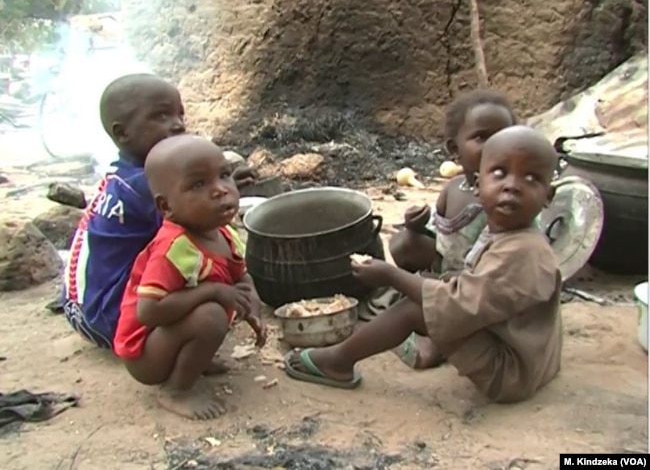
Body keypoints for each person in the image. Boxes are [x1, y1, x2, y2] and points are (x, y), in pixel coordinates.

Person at [284, 125, 562, 404]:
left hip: (511, 372)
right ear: (478, 185)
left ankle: (338, 362)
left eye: (531, 178)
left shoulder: (524, 252)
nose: (512, 185)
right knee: (429, 286)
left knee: (416, 309)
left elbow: (456, 305)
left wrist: (392, 276)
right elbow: (477, 289)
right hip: (526, 356)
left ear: (548, 196)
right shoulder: (509, 234)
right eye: (500, 173)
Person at [62, 73, 255, 354]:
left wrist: (221, 181)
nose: (177, 124)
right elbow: (202, 223)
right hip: (107, 321)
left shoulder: (125, 176)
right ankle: (171, 364)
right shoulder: (146, 188)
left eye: (179, 115)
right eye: (161, 116)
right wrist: (226, 187)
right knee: (210, 257)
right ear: (122, 133)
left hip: (80, 305)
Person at [114, 135, 267, 420]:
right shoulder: (173, 250)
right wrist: (213, 292)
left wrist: (254, 310)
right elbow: (148, 312)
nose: (221, 190)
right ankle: (175, 389)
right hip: (146, 356)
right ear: (166, 207)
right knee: (211, 315)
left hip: (169, 336)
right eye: (198, 184)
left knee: (215, 310)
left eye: (224, 175)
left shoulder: (222, 232)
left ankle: (195, 361)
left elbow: (242, 277)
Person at [373, 90, 517, 369]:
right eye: (482, 137)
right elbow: (441, 234)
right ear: (454, 150)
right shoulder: (453, 189)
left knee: (437, 308)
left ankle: (434, 346)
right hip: (448, 271)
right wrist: (418, 225)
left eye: (504, 136)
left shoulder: (509, 197)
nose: (496, 146)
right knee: (403, 242)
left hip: (481, 288)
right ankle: (420, 322)